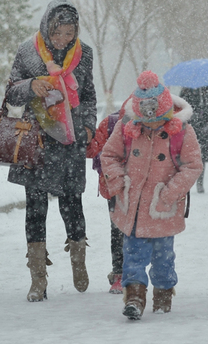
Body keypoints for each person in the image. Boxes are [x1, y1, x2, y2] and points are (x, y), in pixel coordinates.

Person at [5, 0, 96, 302]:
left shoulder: (84, 54)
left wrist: (88, 126)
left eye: (69, 34)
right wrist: (32, 85)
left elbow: (89, 95)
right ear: (47, 27)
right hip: (36, 141)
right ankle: (37, 278)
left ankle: (78, 260)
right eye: (58, 33)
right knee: (36, 209)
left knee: (72, 204)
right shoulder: (28, 51)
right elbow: (11, 94)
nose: (62, 40)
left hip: (69, 140)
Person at [101, 71, 203, 320]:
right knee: (133, 256)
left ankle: (163, 294)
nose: (152, 126)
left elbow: (192, 166)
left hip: (162, 208)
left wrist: (170, 193)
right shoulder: (128, 129)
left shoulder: (182, 132)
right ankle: (134, 297)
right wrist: (119, 183)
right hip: (133, 209)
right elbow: (108, 156)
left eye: (158, 120)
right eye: (147, 121)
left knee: (163, 258)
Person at [86, 104, 128, 294]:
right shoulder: (110, 123)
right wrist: (84, 134)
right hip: (113, 185)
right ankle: (120, 273)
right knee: (118, 230)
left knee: (130, 231)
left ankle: (130, 273)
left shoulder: (150, 124)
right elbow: (92, 150)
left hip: (137, 185)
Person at [179, 86, 208, 192]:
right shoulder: (185, 92)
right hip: (189, 128)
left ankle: (200, 183)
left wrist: (205, 112)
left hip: (203, 129)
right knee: (186, 157)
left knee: (201, 158)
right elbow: (180, 108)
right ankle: (187, 182)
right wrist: (191, 113)